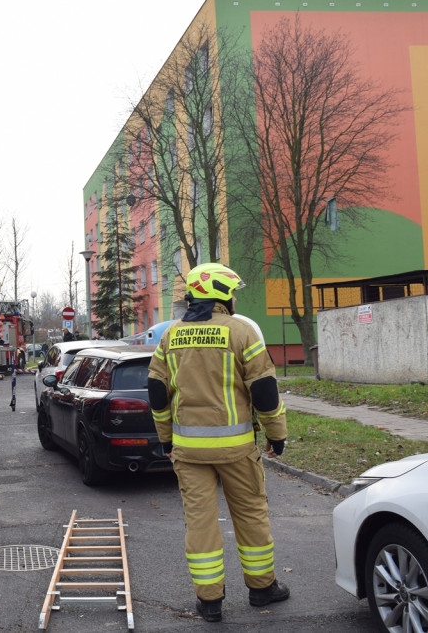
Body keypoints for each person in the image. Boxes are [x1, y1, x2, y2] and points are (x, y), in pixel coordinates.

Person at [146, 263, 289, 623]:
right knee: (251, 515)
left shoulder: (171, 336)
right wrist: (277, 434)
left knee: (200, 523)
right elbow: (264, 391)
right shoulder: (242, 332)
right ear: (222, 294)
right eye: (233, 292)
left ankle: (209, 602)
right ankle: (262, 588)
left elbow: (157, 392)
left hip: (189, 452)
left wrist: (166, 438)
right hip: (237, 450)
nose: (235, 298)